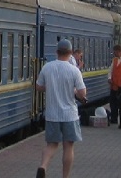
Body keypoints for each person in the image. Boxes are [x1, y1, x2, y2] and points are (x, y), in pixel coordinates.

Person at [35, 39, 87, 178]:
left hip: (52, 114)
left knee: (51, 145)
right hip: (69, 115)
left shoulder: (47, 67)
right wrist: (75, 91)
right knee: (68, 146)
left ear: (57, 52)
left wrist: (51, 87)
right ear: (70, 53)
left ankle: (43, 166)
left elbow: (38, 87)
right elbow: (82, 93)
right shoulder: (74, 70)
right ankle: (65, 176)